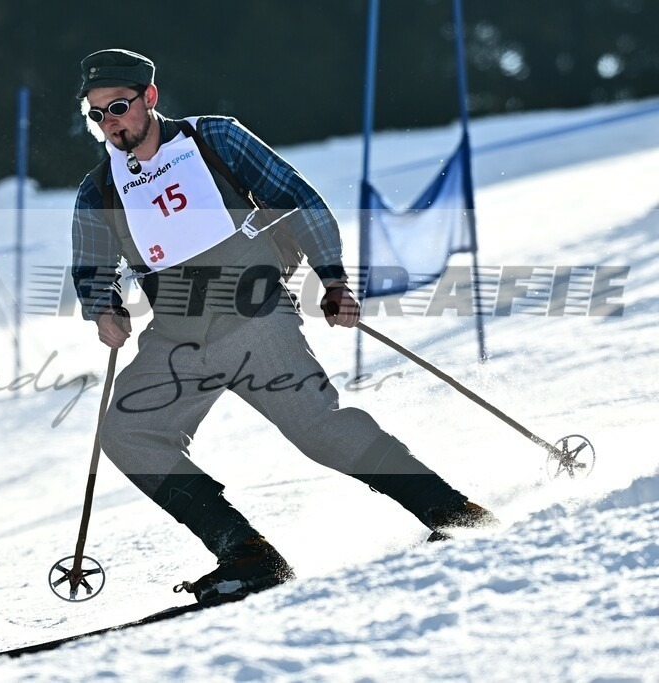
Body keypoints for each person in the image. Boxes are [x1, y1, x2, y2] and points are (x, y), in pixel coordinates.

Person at [70, 49, 497, 605]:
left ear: (149, 98)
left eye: (119, 107)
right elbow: (92, 269)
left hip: (253, 316)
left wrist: (333, 277)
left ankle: (453, 511)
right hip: (177, 337)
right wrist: (103, 308)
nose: (110, 123)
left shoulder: (211, 140)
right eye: (97, 115)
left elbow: (297, 201)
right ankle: (247, 555)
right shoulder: (98, 189)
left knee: (320, 430)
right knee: (127, 432)